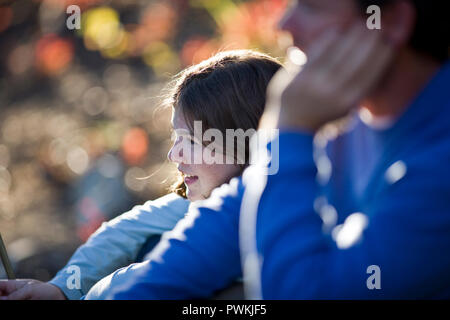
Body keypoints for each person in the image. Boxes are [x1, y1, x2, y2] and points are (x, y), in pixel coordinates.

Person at [109, 0, 450, 299]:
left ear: (391, 22)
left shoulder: (438, 169)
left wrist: (290, 129)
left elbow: (298, 293)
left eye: (312, 7)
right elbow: (230, 219)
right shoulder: (354, 121)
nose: (285, 24)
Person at [0, 49, 282, 300]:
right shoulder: (203, 200)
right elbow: (123, 232)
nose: (174, 155)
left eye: (194, 141)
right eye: (176, 137)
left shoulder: (272, 219)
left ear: (246, 142)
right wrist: (62, 288)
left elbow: (151, 281)